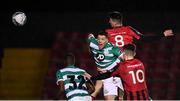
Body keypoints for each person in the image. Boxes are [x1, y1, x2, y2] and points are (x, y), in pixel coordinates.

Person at [106, 11, 174, 48]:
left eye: (110, 20)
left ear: (114, 21)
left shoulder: (107, 32)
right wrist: (163, 34)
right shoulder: (129, 29)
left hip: (112, 63)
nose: (109, 22)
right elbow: (144, 39)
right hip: (126, 61)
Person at [87, 31, 124, 100]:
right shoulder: (92, 43)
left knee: (109, 98)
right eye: (98, 39)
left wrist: (109, 70)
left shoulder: (114, 49)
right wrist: (90, 49)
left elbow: (125, 60)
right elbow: (90, 36)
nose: (100, 41)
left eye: (103, 39)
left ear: (107, 40)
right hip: (101, 74)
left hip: (111, 75)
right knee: (94, 91)